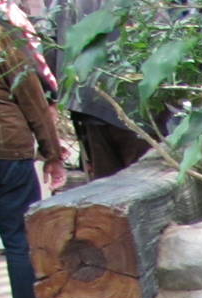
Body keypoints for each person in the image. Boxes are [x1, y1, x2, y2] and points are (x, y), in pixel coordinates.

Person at [0, 17, 64, 298]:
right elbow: (30, 94)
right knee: (20, 241)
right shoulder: (2, 35)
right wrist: (52, 152)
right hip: (7, 150)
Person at [45, 0, 142, 179]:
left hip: (88, 98)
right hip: (137, 103)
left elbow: (48, 39)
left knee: (107, 183)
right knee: (145, 179)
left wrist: (52, 96)